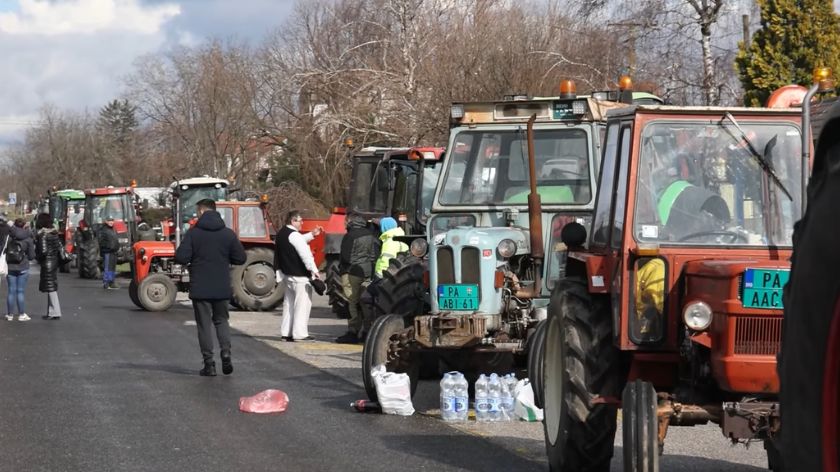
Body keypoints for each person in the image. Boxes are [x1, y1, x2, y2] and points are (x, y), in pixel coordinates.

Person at [175, 199, 246, 377]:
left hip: (201, 286)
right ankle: (226, 351)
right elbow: (241, 258)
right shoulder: (228, 234)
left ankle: (209, 364)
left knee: (204, 325)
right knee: (222, 321)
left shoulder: (193, 234)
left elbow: (181, 257)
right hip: (221, 286)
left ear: (201, 211)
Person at [274, 210, 323, 342]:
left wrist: (312, 234)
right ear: (293, 221)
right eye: (300, 220)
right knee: (302, 305)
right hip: (300, 276)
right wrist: (314, 270)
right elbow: (305, 254)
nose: (302, 223)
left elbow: (295, 241)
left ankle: (286, 333)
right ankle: (300, 334)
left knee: (289, 304)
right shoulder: (294, 235)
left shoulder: (282, 233)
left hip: (287, 275)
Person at [359, 217, 408, 337]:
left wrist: (377, 277)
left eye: (381, 226)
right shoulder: (403, 238)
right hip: (399, 278)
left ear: (385, 228)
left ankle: (370, 328)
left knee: (365, 297)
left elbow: (385, 262)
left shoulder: (389, 241)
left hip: (384, 278)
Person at [335, 213, 380, 344]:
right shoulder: (371, 235)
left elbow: (345, 257)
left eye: (345, 221)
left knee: (352, 302)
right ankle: (367, 331)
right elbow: (375, 255)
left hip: (352, 273)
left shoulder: (350, 236)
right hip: (368, 272)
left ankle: (353, 331)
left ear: (350, 222)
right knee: (365, 303)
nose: (344, 224)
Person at [5, 218, 35, 321]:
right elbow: (31, 256)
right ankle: (21, 314)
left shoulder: (9, 237)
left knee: (11, 291)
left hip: (10, 267)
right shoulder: (28, 238)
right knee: (20, 291)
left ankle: (9, 315)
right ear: (24, 226)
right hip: (23, 267)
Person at [35, 213, 62, 320]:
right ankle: (52, 311)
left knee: (50, 288)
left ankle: (55, 312)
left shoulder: (43, 235)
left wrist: (37, 257)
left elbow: (43, 251)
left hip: (47, 263)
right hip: (54, 261)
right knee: (51, 286)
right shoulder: (54, 233)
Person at [99, 216, 120, 289]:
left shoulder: (113, 230)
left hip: (114, 251)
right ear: (106, 221)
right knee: (107, 268)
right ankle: (106, 283)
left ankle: (112, 282)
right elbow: (101, 241)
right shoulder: (103, 230)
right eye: (109, 221)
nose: (111, 222)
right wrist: (108, 247)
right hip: (107, 252)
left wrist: (117, 247)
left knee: (112, 268)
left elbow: (116, 240)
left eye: (112, 220)